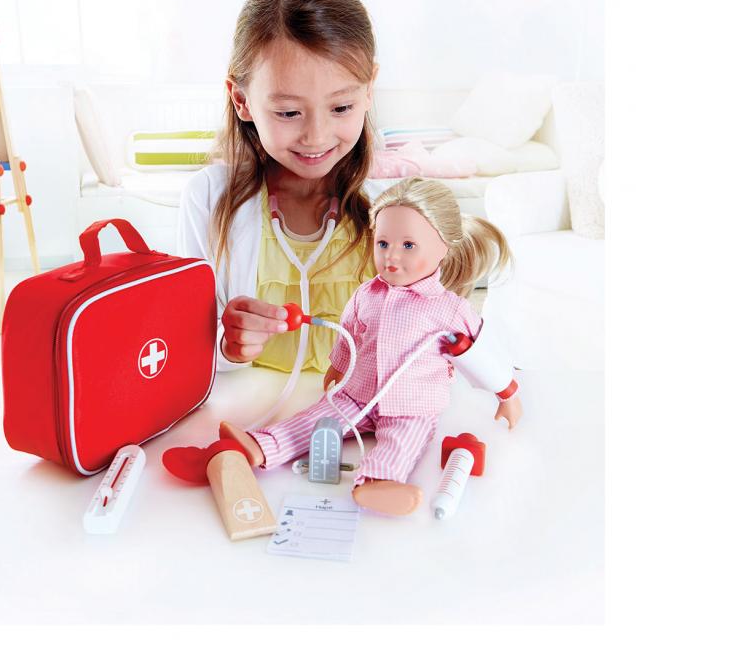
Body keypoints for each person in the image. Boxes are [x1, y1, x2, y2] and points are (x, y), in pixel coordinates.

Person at [219, 177, 523, 515]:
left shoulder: (449, 309)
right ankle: (261, 446)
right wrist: (337, 367)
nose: (391, 256)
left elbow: (483, 354)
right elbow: (349, 334)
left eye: (408, 245)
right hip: (357, 393)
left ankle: (378, 482)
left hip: (412, 404)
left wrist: (507, 394)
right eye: (383, 243)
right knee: (317, 420)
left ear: (444, 248)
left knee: (402, 442)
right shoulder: (367, 294)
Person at [177, 0, 386, 373]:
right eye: (289, 112)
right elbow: (186, 344)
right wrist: (228, 346)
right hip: (254, 406)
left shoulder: (394, 210)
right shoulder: (207, 199)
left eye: (341, 107)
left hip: (357, 408)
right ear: (242, 100)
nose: (316, 136)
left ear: (369, 89)